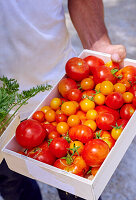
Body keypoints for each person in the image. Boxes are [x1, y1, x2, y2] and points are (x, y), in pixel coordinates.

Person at [0, 0, 126, 200]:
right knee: (12, 182)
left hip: (61, 89)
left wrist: (98, 43)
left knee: (77, 191)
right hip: (2, 118)